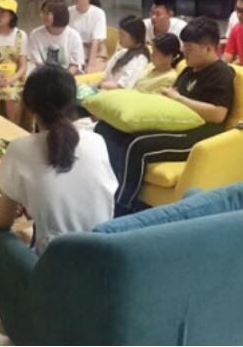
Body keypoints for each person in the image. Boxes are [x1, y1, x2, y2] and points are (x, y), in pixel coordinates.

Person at [96, 17, 235, 215]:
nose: (184, 52)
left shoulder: (222, 73)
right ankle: (106, 190)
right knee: (107, 128)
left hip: (198, 134)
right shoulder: (189, 70)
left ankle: (123, 205)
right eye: (184, 46)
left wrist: (180, 99)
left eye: (189, 48)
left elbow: (218, 114)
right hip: (175, 125)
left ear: (208, 48)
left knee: (137, 145)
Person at [0, 65, 117, 254]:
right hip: (105, 253)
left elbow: (3, 222)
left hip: (56, 264)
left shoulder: (19, 149)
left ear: (29, 105)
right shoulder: (97, 141)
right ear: (73, 101)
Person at [28, 0, 85, 75]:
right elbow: (39, 64)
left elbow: (74, 65)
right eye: (43, 12)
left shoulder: (74, 36)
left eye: (47, 13)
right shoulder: (35, 35)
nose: (42, 15)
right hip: (45, 74)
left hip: (69, 76)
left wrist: (63, 79)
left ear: (59, 14)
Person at [97, 15, 150, 90]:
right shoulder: (122, 52)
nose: (119, 37)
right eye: (119, 33)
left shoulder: (140, 59)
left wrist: (100, 85)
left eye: (123, 35)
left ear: (135, 37)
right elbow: (105, 76)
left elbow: (123, 86)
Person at [68, 0, 107, 73]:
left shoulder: (98, 13)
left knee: (89, 73)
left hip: (95, 53)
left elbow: (95, 41)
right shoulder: (69, 11)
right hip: (75, 52)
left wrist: (90, 65)